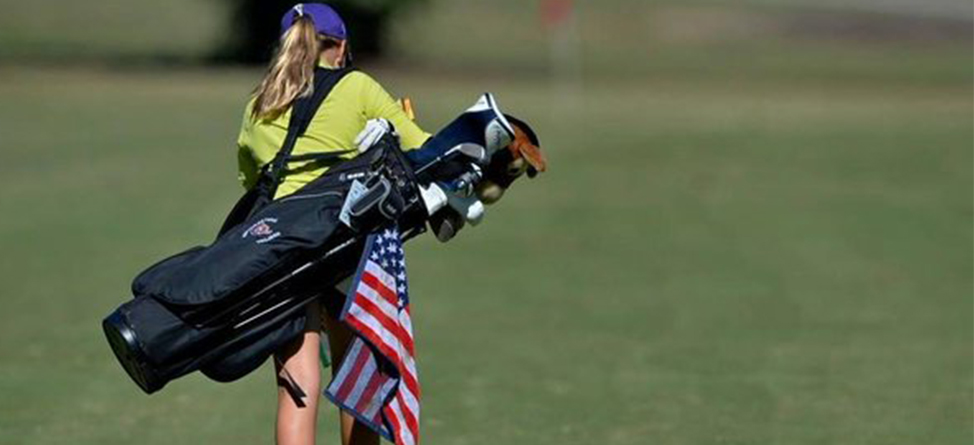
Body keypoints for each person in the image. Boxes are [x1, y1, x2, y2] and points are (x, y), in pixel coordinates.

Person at [235, 4, 429, 445]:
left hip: (279, 253)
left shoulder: (258, 101)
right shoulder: (357, 87)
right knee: (360, 379)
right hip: (346, 249)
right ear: (340, 46)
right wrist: (403, 129)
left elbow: (251, 181)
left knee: (297, 386)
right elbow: (425, 152)